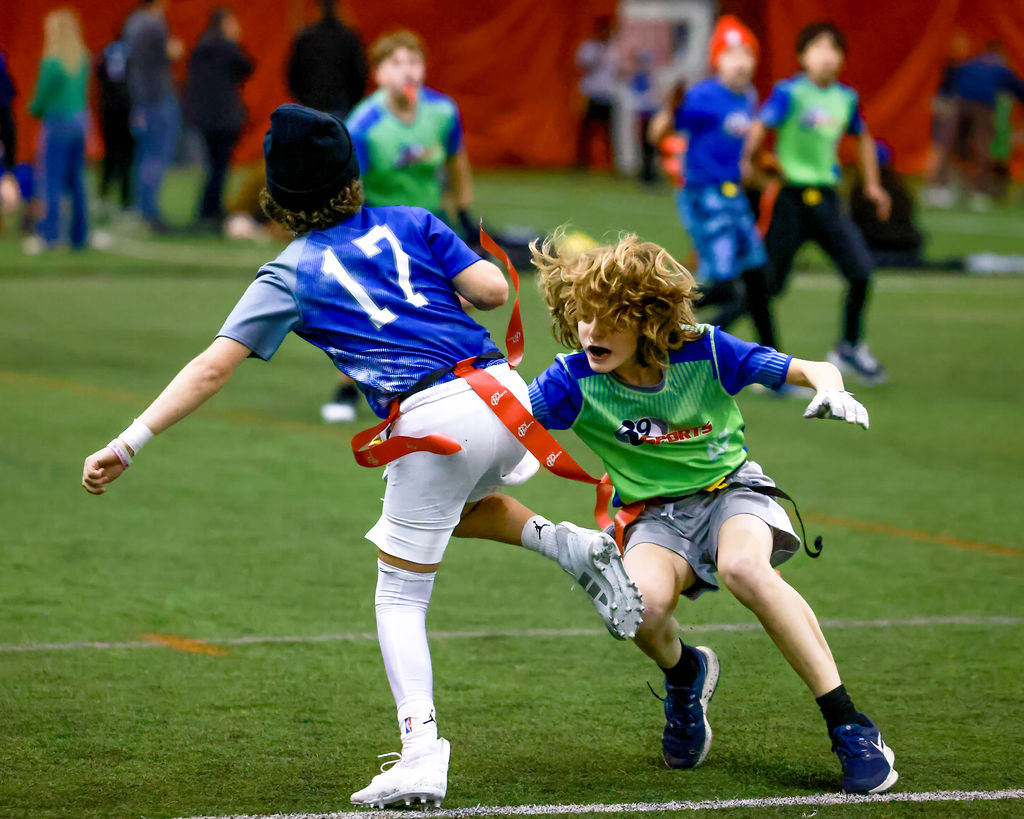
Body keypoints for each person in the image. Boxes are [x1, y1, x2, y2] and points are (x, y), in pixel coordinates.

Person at [81, 103, 641, 810]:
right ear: (352, 176)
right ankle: (568, 545)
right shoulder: (411, 219)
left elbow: (211, 368)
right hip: (504, 396)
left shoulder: (285, 274)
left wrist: (128, 441)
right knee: (458, 510)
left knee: (399, 596)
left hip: (434, 420)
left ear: (278, 198)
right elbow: (494, 291)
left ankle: (421, 754)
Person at [509, 231, 897, 794]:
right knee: (636, 610)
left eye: (611, 318)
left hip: (732, 492)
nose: (593, 331)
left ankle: (851, 725)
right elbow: (507, 417)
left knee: (744, 568)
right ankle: (686, 674)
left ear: (648, 317)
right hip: (654, 517)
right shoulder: (572, 379)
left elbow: (811, 367)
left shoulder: (706, 348)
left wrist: (831, 387)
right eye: (583, 316)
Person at [321, 29, 475, 424]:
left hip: (431, 224)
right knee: (376, 312)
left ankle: (448, 385)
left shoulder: (442, 112)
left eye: (414, 61)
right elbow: (350, 188)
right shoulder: (364, 125)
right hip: (381, 229)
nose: (407, 70)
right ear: (378, 73)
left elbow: (456, 159)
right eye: (396, 63)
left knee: (459, 301)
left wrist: (464, 208)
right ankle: (345, 392)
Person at [742, 22, 891, 385]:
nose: (827, 57)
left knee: (861, 270)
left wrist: (873, 184)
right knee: (769, 286)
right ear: (802, 56)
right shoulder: (789, 93)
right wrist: (748, 162)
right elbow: (760, 128)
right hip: (789, 198)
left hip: (826, 199)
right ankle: (737, 355)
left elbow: (864, 138)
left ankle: (850, 347)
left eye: (834, 50)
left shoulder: (845, 99)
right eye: (818, 49)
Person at [648, 15, 777, 350]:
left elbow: (740, 146)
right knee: (725, 287)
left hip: (735, 196)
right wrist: (669, 109)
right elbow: (659, 132)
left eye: (747, 55)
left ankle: (774, 367)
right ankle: (663, 329)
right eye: (732, 55)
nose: (741, 63)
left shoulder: (748, 96)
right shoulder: (703, 96)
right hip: (705, 196)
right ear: (716, 60)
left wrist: (756, 165)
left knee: (758, 280)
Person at [184, 7, 254, 227]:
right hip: (225, 118)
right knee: (219, 166)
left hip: (204, 117)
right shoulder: (228, 49)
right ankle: (209, 209)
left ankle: (209, 207)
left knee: (213, 165)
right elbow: (247, 67)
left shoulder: (200, 47)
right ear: (225, 24)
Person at [28, 8, 90, 252]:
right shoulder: (82, 58)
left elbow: (40, 98)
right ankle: (79, 236)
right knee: (76, 181)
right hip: (79, 122)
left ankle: (50, 235)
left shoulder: (52, 62)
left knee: (51, 180)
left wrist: (33, 109)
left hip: (57, 122)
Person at [123, 0, 184, 232]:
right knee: (157, 155)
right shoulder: (153, 24)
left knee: (145, 154)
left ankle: (142, 207)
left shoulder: (132, 22)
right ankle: (150, 212)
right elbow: (171, 51)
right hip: (157, 97)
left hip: (140, 98)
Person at [286, 0, 368, 120]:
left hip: (312, 103)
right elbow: (361, 73)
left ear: (317, 9)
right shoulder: (349, 37)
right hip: (343, 104)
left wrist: (302, 99)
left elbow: (293, 74)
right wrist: (353, 101)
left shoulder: (305, 39)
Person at [95, 25, 135, 214]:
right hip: (127, 108)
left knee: (110, 154)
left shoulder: (107, 51)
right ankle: (126, 200)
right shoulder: (131, 52)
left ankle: (103, 194)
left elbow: (99, 74)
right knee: (127, 156)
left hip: (108, 108)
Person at [575, 15, 618, 170]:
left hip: (608, 94)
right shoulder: (589, 47)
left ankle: (610, 164)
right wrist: (599, 54)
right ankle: (581, 163)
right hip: (591, 94)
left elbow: (618, 72)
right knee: (586, 132)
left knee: (608, 133)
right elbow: (582, 66)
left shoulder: (614, 50)